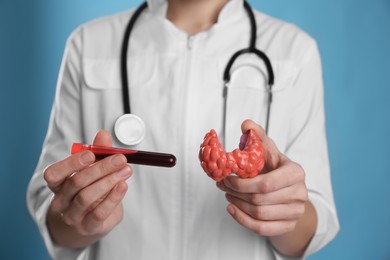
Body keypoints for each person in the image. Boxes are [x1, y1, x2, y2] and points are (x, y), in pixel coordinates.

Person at [27, 0, 339, 259]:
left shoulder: (295, 50)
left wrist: (285, 212)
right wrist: (77, 216)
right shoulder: (88, 44)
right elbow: (52, 211)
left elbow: (313, 221)